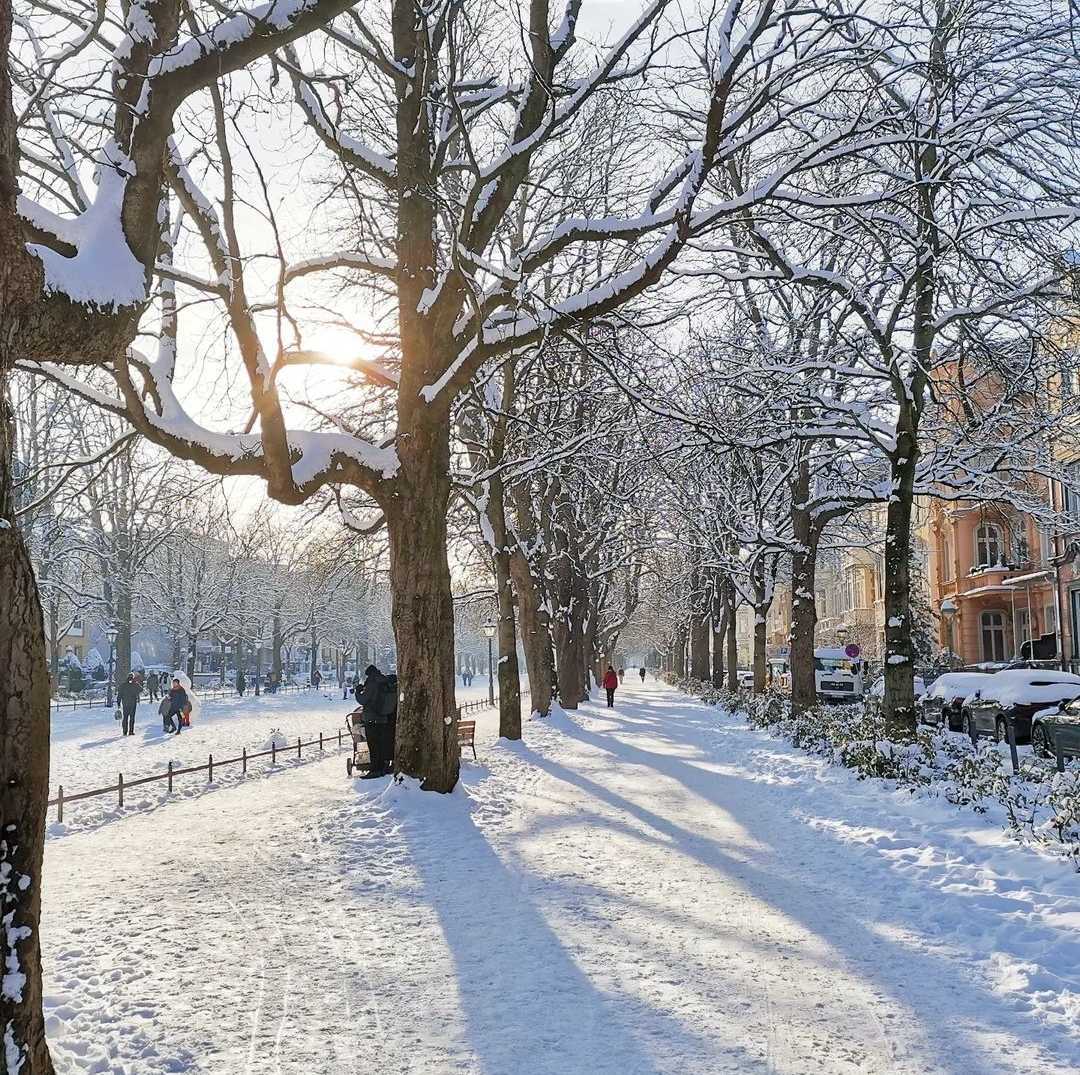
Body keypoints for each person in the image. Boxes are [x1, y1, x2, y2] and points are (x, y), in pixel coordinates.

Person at [356, 664, 394, 777]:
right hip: (383, 718)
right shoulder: (384, 680)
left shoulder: (372, 682)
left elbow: (364, 699)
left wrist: (358, 692)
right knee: (382, 744)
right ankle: (383, 767)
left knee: (373, 745)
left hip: (371, 717)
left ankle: (375, 770)